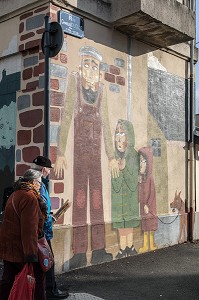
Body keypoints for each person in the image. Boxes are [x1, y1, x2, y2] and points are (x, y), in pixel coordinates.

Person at [54, 46, 119, 269]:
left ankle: (99, 249)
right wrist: (60, 152)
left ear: (99, 71)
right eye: (87, 64)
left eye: (95, 66)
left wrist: (111, 156)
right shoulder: (75, 85)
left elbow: (107, 123)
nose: (91, 69)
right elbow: (65, 117)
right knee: (80, 199)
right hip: (79, 155)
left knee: (98, 199)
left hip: (96, 155)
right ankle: (80, 252)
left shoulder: (101, 91)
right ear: (80, 67)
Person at [0, 169, 47, 300]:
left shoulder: (15, 194)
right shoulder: (30, 197)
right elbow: (29, 229)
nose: (40, 185)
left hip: (10, 247)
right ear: (33, 182)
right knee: (36, 280)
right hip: (22, 249)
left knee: (8, 280)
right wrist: (31, 256)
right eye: (40, 182)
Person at [32, 155, 69, 299]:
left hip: (40, 230)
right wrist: (48, 218)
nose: (49, 171)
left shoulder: (37, 183)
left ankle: (44, 290)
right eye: (48, 169)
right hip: (42, 232)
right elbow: (39, 209)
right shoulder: (38, 185)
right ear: (43, 169)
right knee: (48, 262)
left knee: (43, 262)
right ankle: (50, 291)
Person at [111, 120, 140, 258]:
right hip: (118, 198)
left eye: (122, 133)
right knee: (121, 224)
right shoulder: (114, 156)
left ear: (129, 136)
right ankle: (123, 248)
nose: (119, 137)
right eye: (117, 133)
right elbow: (114, 182)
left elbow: (134, 181)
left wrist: (124, 169)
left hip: (130, 197)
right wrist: (117, 170)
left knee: (128, 222)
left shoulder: (134, 155)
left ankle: (130, 246)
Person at [138, 147, 158, 253]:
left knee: (150, 226)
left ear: (148, 162)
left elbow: (152, 193)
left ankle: (152, 244)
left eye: (144, 161)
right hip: (143, 207)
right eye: (140, 161)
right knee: (145, 226)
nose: (142, 164)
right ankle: (146, 245)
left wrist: (148, 204)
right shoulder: (141, 178)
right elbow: (139, 195)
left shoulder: (150, 178)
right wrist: (139, 183)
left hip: (150, 207)